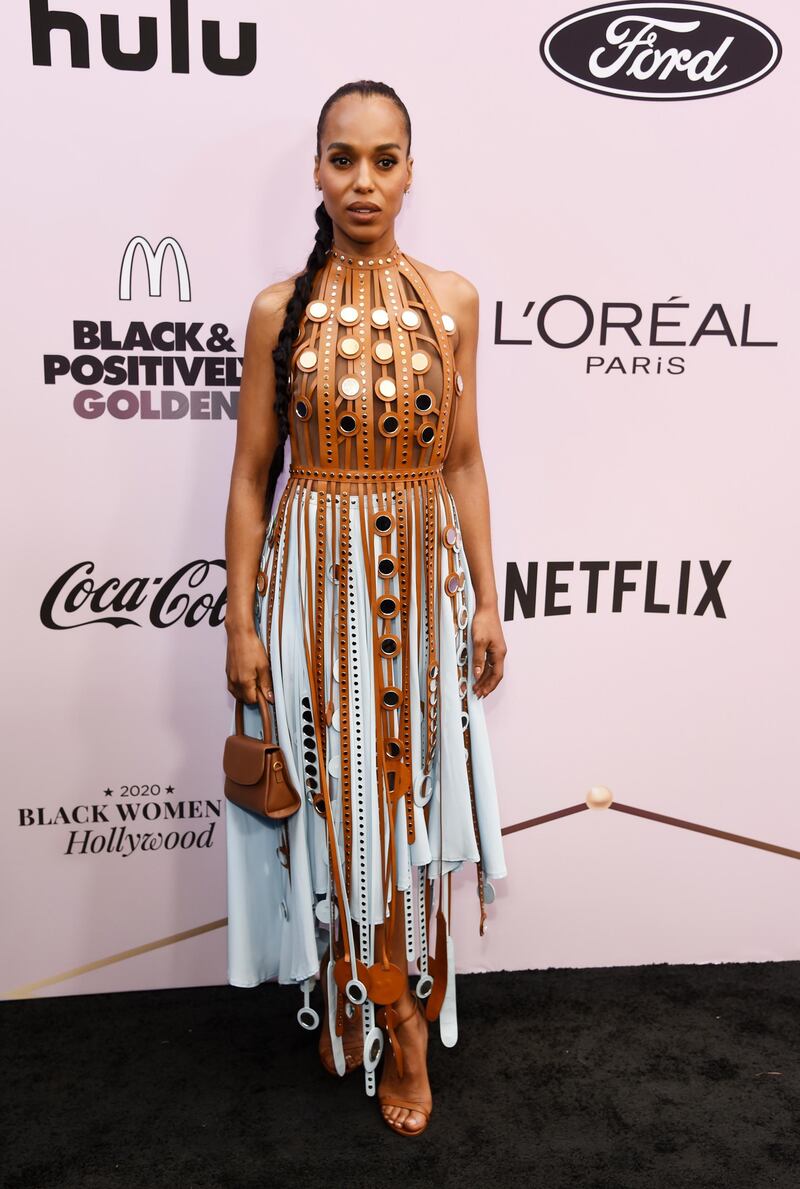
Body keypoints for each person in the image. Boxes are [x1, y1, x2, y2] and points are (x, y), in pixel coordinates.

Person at [223, 79, 508, 1138]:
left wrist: (487, 598)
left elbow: (466, 460)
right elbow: (252, 475)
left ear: (409, 171)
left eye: (383, 160)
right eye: (342, 159)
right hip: (311, 585)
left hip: (420, 583)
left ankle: (401, 1022)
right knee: (340, 802)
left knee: (408, 801)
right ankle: (368, 1000)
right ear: (315, 171)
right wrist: (241, 620)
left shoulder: (453, 300)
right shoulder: (271, 310)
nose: (362, 181)